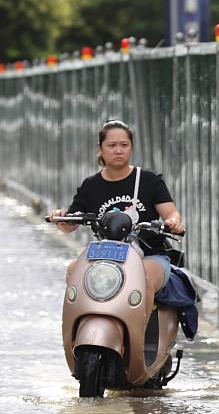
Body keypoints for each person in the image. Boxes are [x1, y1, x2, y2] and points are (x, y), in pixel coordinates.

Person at [49, 120, 185, 290]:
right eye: (112, 145)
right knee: (73, 272)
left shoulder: (149, 180)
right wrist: (61, 217)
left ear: (131, 147)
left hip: (150, 256)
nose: (118, 150)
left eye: (124, 145)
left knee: (143, 279)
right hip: (105, 256)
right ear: (101, 148)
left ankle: (141, 317)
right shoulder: (90, 186)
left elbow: (171, 213)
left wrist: (173, 222)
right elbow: (70, 224)